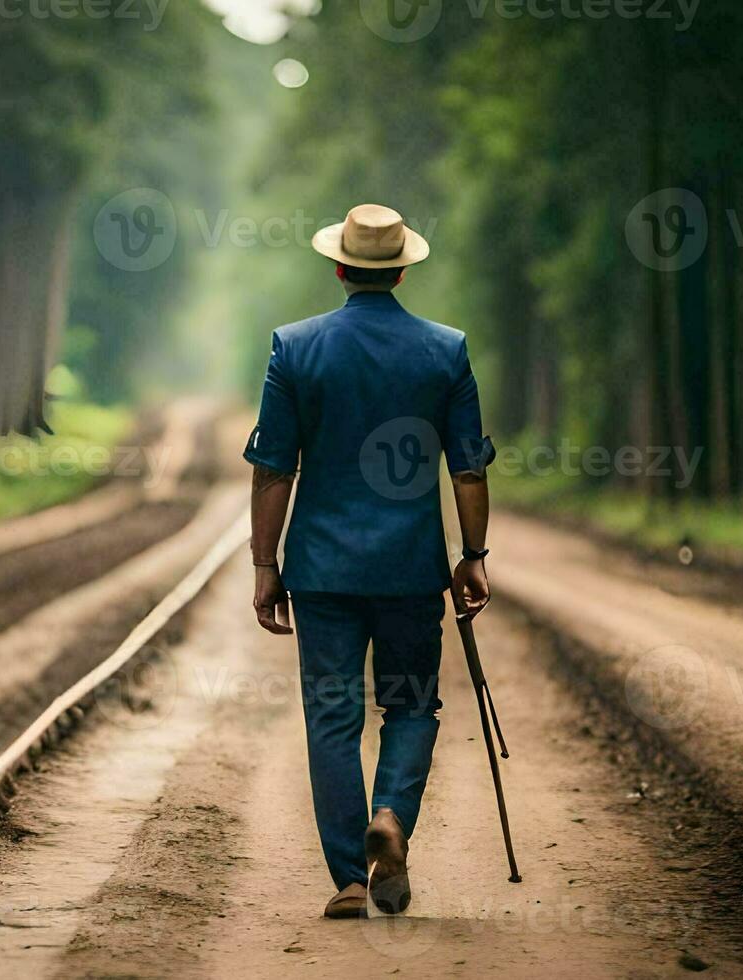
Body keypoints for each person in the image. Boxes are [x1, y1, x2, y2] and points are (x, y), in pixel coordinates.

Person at [244, 204, 495, 919]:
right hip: (411, 570)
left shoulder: (295, 348)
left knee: (331, 715)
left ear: (339, 266)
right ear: (404, 268)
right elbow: (468, 470)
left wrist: (267, 566)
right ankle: (391, 815)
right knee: (412, 705)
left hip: (321, 570)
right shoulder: (446, 351)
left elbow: (273, 469)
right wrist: (472, 556)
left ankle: (352, 878)